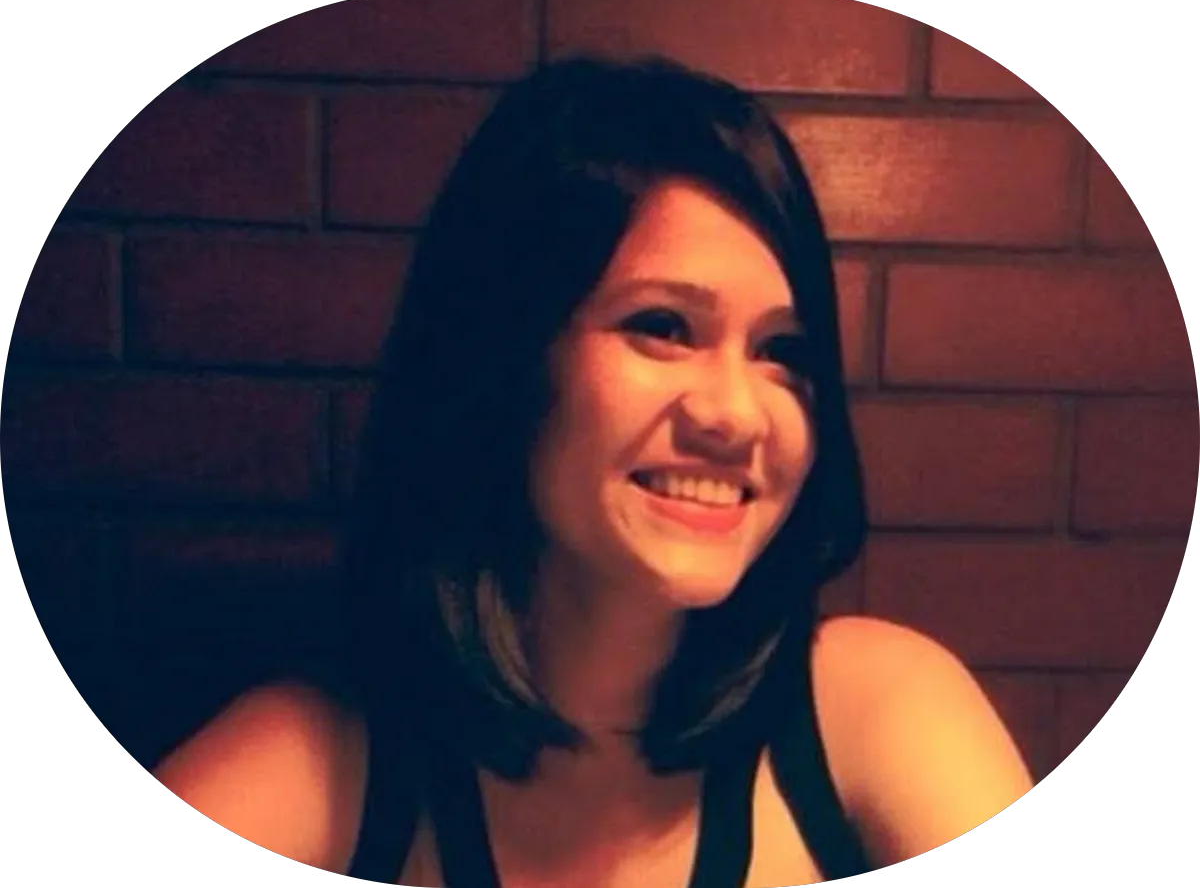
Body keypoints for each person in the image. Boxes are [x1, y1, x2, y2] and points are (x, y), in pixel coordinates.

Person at [151, 55, 1034, 887]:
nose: (736, 414)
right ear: (502, 363)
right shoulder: (330, 759)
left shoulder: (873, 714)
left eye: (781, 351)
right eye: (662, 326)